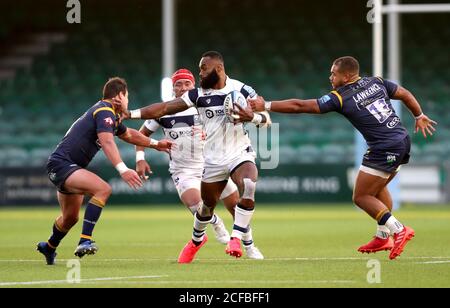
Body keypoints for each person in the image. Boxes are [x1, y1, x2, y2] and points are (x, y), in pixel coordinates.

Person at [239, 56, 437, 260]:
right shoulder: (376, 81)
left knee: (361, 196)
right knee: (377, 188)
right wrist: (418, 115)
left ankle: (398, 229)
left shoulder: (341, 97)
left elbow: (300, 106)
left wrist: (266, 105)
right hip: (402, 140)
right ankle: (383, 235)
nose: (330, 76)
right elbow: (403, 93)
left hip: (384, 146)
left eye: (334, 73)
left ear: (348, 75)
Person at [123, 51, 270, 263]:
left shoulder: (242, 89)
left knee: (248, 185)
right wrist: (131, 113)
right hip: (209, 162)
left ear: (218, 69)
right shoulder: (197, 95)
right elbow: (163, 108)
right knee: (205, 208)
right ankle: (196, 240)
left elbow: (266, 119)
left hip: (239, 152)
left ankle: (244, 243)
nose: (200, 73)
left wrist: (253, 116)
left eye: (203, 69)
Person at [37, 77, 172, 265]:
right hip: (62, 165)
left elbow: (129, 134)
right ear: (120, 95)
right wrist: (123, 169)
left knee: (70, 218)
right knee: (103, 189)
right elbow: (107, 141)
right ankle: (85, 240)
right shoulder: (104, 111)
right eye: (127, 96)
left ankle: (48, 247)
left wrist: (156, 144)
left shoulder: (109, 115)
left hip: (67, 166)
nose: (128, 100)